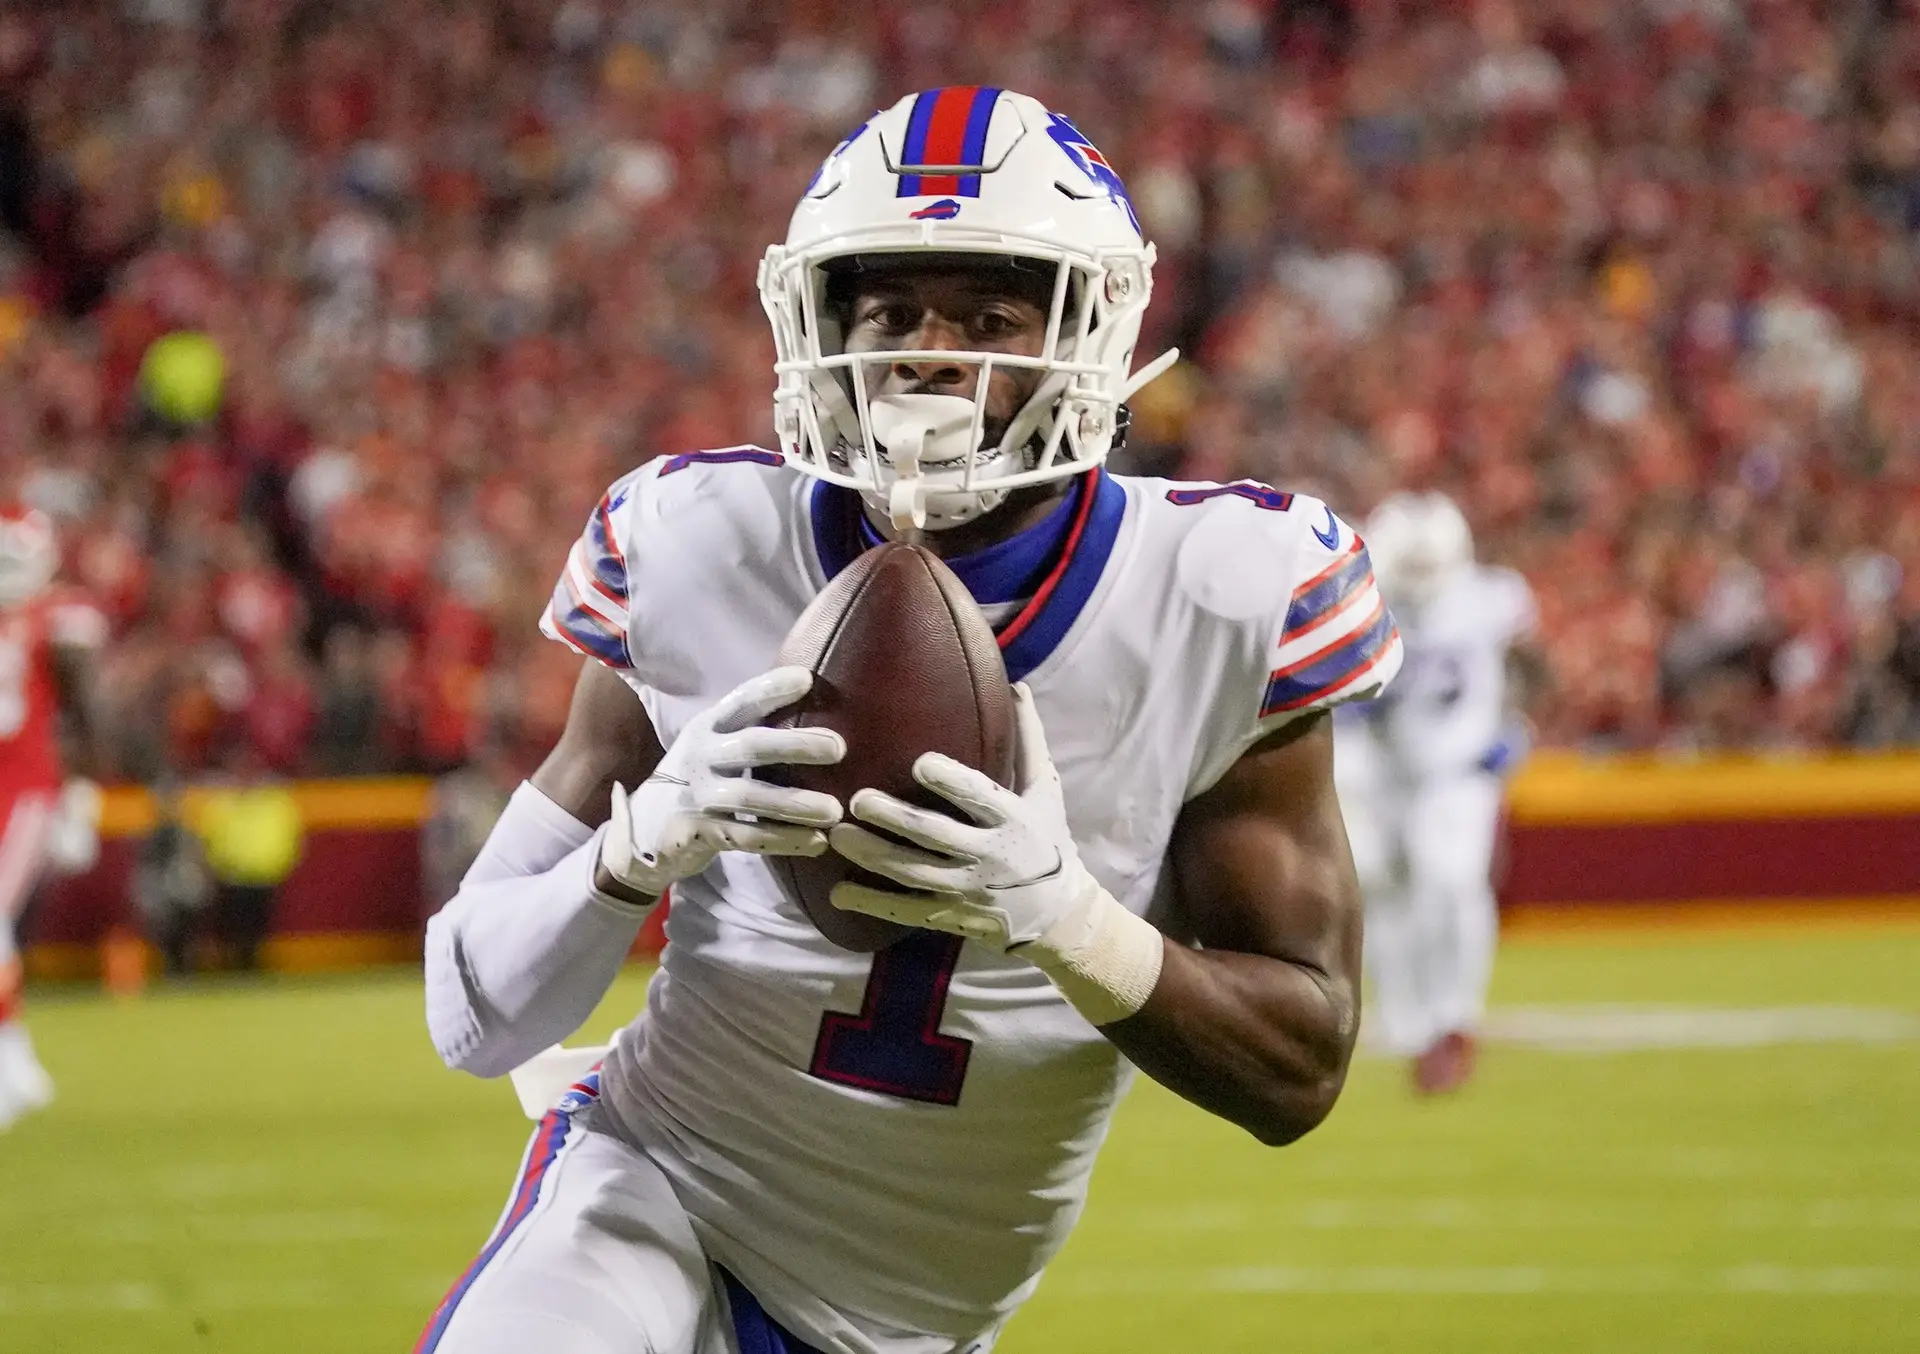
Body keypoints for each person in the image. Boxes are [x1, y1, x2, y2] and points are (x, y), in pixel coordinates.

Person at [420, 88, 1402, 1354]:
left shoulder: (1223, 591)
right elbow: (472, 1017)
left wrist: (1068, 920)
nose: (928, 351)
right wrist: (634, 848)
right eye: (888, 310)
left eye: (990, 315)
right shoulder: (691, 547)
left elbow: (1298, 1067)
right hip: (660, 1188)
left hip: (919, 1315)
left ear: (1087, 332)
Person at [1332, 491, 1543, 1096]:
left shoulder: (1490, 599)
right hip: (1383, 769)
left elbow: (1532, 664)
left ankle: (1455, 1018)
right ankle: (1407, 1019)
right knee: (1379, 885)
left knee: (1448, 878)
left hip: (1459, 768)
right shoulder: (1359, 599)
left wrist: (1519, 725)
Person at [0, 503, 105, 1130]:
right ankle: (15, 1062)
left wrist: (83, 793)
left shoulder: (55, 618)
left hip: (24, 791)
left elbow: (84, 706)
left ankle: (14, 1064)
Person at [197, 749, 303, 971]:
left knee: (258, 928)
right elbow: (209, 840)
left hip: (263, 876)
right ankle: (237, 967)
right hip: (231, 877)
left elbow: (290, 837)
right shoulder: (223, 803)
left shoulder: (274, 802)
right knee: (233, 929)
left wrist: (280, 864)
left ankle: (251, 966)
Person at [130, 773, 213, 976]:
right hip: (162, 886)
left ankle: (185, 968)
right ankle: (173, 968)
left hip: (184, 885)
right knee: (166, 930)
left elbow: (198, 858)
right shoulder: (153, 833)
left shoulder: (186, 831)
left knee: (186, 930)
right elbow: (146, 866)